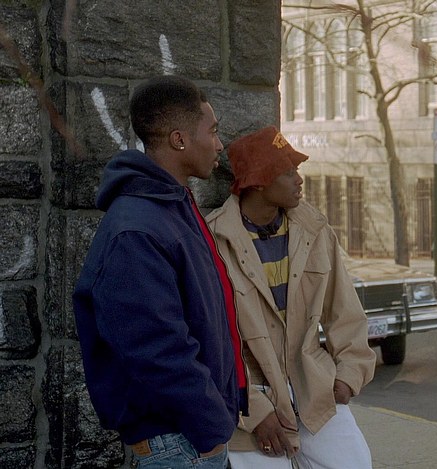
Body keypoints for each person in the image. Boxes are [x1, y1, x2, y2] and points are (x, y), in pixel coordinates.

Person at [73, 75, 247, 468]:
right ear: (179, 139)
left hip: (190, 438)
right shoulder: (137, 229)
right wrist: (209, 427)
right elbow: (156, 349)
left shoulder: (173, 207)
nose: (219, 144)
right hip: (178, 444)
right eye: (212, 131)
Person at [205, 126, 376, 469]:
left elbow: (345, 312)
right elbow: (211, 342)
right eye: (287, 172)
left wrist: (348, 375)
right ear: (258, 182)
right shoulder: (214, 240)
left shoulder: (315, 229)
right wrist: (253, 410)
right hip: (251, 403)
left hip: (316, 389)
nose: (299, 179)